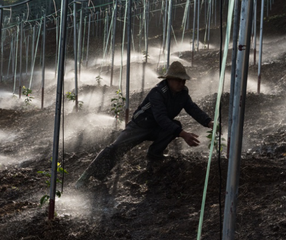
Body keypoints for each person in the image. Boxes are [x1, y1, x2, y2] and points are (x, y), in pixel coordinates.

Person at [75, 61, 213, 188]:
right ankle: (87, 175)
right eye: (178, 80)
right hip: (139, 126)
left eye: (183, 80)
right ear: (169, 79)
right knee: (117, 147)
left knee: (174, 125)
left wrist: (208, 122)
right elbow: (161, 118)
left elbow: (192, 108)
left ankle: (154, 155)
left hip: (156, 127)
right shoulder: (158, 92)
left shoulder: (183, 93)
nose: (181, 83)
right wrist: (183, 134)